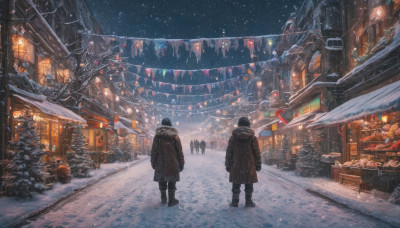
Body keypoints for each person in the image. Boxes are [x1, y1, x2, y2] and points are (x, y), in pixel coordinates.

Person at [225, 117, 261, 207]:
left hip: (236, 165)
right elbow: (256, 152)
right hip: (249, 165)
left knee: (236, 185)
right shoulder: (252, 138)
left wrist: (228, 164)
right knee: (249, 185)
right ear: (248, 125)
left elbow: (229, 152)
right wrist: (258, 163)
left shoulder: (233, 137)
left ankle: (235, 202)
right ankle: (248, 202)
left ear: (239, 125)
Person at [151, 118, 185, 207]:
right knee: (172, 182)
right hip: (173, 163)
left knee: (161, 181)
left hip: (160, 163)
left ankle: (163, 198)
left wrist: (153, 163)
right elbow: (179, 152)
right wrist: (181, 163)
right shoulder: (175, 137)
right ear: (170, 125)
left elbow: (154, 152)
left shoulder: (157, 137)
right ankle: (171, 200)